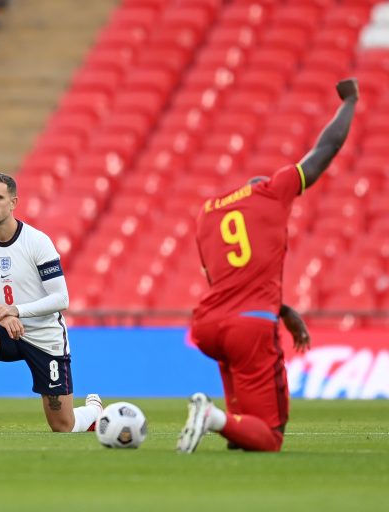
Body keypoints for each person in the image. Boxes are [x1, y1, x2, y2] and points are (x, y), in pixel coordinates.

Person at [177, 78, 359, 453]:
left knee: (245, 428)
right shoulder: (273, 192)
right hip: (250, 328)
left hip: (208, 326)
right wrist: (350, 102)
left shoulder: (207, 213)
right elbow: (328, 147)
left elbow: (222, 279)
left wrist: (285, 310)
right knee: (271, 435)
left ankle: (225, 427)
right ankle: (211, 417)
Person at [0, 172, 102, 434]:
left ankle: (93, 411)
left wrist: (16, 311)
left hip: (44, 336)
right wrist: (1, 317)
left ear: (13, 202)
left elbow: (62, 299)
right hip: (4, 332)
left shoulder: (37, 242)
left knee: (63, 426)